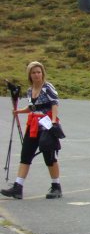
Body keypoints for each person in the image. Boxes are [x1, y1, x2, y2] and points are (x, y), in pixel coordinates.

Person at [1, 61, 63, 200]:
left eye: (38, 72)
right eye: (33, 72)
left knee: (49, 157)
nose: (36, 75)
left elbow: (54, 104)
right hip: (33, 125)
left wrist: (53, 121)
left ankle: (56, 186)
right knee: (26, 154)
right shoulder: (30, 90)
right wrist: (19, 111)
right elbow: (32, 107)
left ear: (42, 73)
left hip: (46, 125)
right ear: (30, 74)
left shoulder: (47, 87)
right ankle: (18, 187)